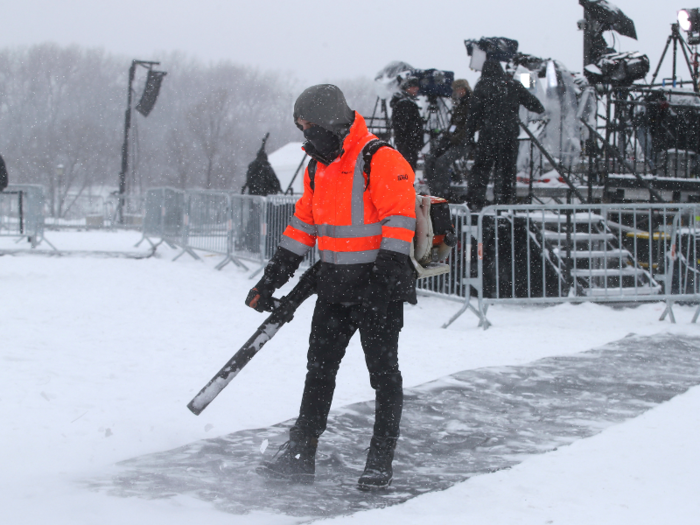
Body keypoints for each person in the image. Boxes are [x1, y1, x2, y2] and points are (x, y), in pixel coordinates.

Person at [245, 84, 417, 490]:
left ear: (330, 122)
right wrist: (271, 280)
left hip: (378, 290)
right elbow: (302, 227)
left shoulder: (379, 158)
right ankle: (300, 453)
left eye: (309, 127)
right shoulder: (317, 167)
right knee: (318, 372)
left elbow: (400, 223)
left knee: (384, 376)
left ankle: (379, 461)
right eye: (302, 128)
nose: (306, 136)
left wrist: (381, 284)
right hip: (334, 288)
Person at [464, 59, 544, 210]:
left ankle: (476, 202)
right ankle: (504, 202)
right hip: (509, 134)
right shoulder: (513, 85)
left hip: (488, 135)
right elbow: (536, 105)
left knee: (481, 169)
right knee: (506, 170)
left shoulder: (482, 86)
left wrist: (469, 136)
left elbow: (473, 114)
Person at [424, 79, 473, 199]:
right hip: (452, 141)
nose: (458, 92)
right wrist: (445, 140)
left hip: (463, 143)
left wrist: (455, 138)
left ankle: (443, 192)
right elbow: (453, 125)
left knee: (442, 162)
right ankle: (435, 191)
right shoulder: (459, 106)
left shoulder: (471, 105)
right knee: (430, 160)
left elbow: (469, 127)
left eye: (460, 89)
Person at [390, 77, 423, 170]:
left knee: (404, 168)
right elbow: (405, 126)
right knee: (408, 168)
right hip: (408, 144)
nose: (417, 88)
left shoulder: (403, 101)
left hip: (405, 143)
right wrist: (414, 139)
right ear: (407, 88)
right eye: (413, 86)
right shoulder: (406, 103)